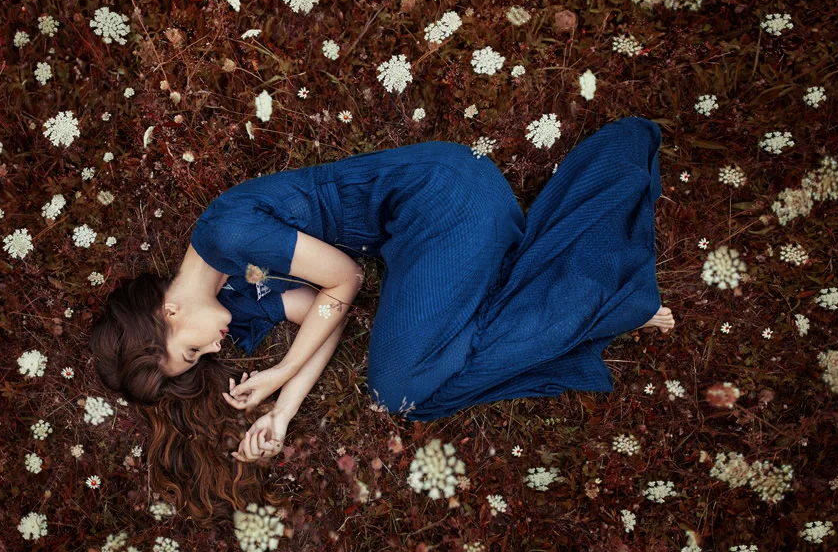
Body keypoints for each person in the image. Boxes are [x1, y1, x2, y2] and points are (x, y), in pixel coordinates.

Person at [88, 116, 674, 526]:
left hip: (447, 197)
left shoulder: (225, 235)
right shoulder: (230, 294)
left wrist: (283, 366)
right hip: (419, 241)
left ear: (167, 313)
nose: (211, 353)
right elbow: (327, 316)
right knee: (410, 387)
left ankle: (595, 297)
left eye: (190, 351)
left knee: (400, 385)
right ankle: (554, 301)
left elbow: (344, 283)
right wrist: (283, 411)